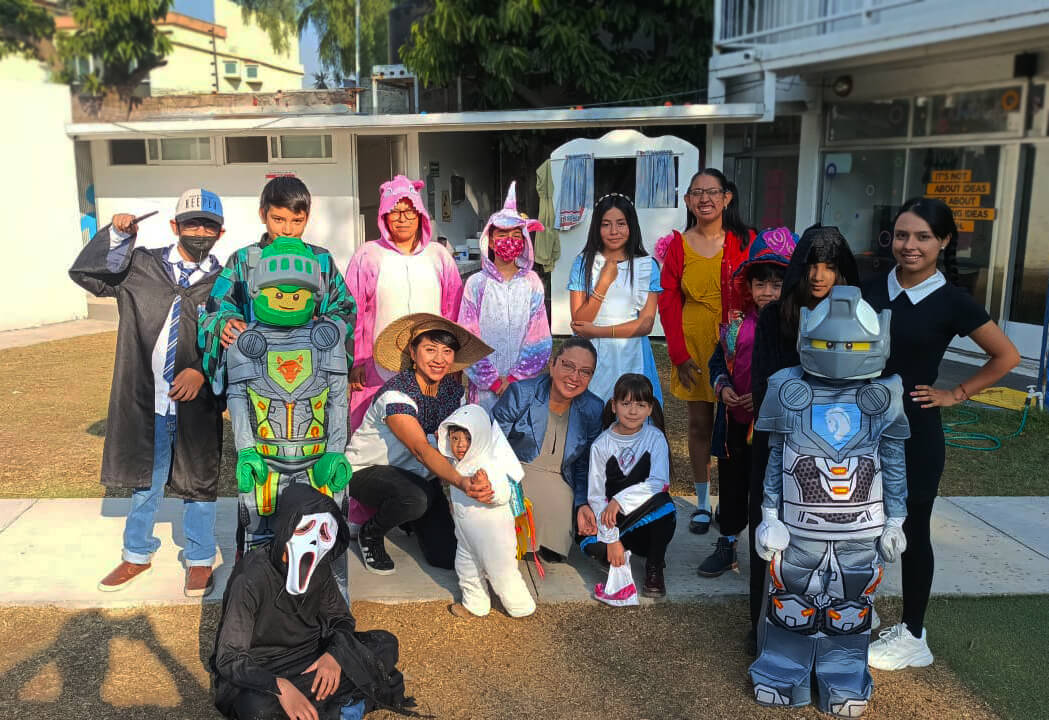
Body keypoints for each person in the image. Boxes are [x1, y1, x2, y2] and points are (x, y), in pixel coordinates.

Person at [863, 197, 1019, 671]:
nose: (910, 245)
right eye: (902, 235)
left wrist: (956, 393)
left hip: (915, 432)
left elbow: (1007, 357)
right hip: (859, 428)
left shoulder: (952, 300)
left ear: (944, 241)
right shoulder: (869, 288)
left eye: (923, 237)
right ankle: (859, 606)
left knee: (912, 528)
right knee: (858, 523)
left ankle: (913, 635)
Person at [749, 286, 909, 718]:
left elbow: (894, 463)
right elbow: (776, 456)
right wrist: (769, 514)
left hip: (862, 529)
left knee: (851, 605)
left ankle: (843, 677)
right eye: (831, 344)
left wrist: (896, 520)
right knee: (791, 601)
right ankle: (781, 672)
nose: (840, 353)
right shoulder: (787, 388)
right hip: (798, 527)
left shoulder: (885, 395)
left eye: (851, 345)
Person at [70, 190, 225, 598]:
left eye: (208, 226)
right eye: (191, 223)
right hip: (147, 399)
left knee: (199, 481)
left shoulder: (225, 282)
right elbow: (88, 276)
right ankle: (137, 553)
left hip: (196, 402)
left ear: (220, 232)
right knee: (146, 480)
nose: (200, 231)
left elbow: (233, 341)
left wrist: (202, 370)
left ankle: (200, 558)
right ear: (175, 226)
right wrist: (118, 237)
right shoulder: (141, 266)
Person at [211, 484, 418, 720]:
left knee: (385, 643)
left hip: (314, 657)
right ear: (287, 527)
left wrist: (335, 656)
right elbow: (230, 656)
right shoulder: (250, 577)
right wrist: (279, 687)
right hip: (265, 667)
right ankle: (345, 704)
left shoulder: (320, 567)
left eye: (324, 533)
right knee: (255, 707)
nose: (313, 541)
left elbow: (340, 619)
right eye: (305, 529)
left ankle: (332, 705)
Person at [747, 225, 860, 642]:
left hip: (840, 446)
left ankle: (831, 625)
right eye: (811, 265)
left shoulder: (859, 319)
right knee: (771, 534)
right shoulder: (774, 316)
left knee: (833, 540)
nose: (818, 275)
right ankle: (764, 626)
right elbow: (763, 388)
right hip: (781, 442)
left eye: (829, 266)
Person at [223, 237, 352, 562]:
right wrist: (246, 450)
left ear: (313, 295)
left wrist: (335, 451)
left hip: (317, 458)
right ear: (258, 291)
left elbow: (339, 399)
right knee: (258, 538)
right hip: (264, 458)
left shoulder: (327, 341)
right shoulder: (244, 342)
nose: (287, 302)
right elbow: (237, 398)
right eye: (278, 294)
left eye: (296, 295)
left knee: (324, 538)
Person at [344, 313, 494, 574]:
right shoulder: (396, 393)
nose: (439, 359)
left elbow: (463, 441)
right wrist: (461, 482)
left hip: (421, 477)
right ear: (413, 353)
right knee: (415, 498)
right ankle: (371, 532)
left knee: (446, 556)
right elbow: (421, 449)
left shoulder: (452, 392)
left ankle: (409, 519)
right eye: (430, 349)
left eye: (447, 351)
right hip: (367, 471)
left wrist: (483, 477)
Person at [658, 169, 755, 535]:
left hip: (739, 343)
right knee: (699, 425)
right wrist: (679, 355)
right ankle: (702, 502)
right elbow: (668, 302)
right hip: (694, 342)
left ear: (727, 197)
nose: (705, 199)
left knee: (738, 425)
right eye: (697, 193)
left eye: (712, 192)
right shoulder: (678, 245)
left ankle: (735, 502)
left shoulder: (747, 240)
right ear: (687, 201)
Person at [698, 227, 797, 578]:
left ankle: (772, 549)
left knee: (770, 488)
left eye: (777, 284)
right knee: (732, 483)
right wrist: (722, 386)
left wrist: (766, 398)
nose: (767, 292)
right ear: (749, 286)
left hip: (774, 429)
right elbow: (717, 362)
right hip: (734, 424)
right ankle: (727, 542)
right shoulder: (736, 326)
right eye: (761, 284)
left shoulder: (794, 329)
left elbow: (798, 375)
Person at [198, 175, 357, 391]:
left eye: (297, 221)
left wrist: (323, 325)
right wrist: (225, 323)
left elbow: (345, 309)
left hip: (310, 374)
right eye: (278, 219)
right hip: (255, 375)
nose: (287, 230)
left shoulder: (321, 260)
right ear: (262, 214)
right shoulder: (243, 259)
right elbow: (215, 309)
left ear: (307, 218)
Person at [344, 175, 464, 430]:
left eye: (409, 212)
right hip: (377, 366)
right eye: (395, 212)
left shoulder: (439, 256)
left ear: (420, 215)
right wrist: (357, 361)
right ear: (384, 216)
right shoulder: (368, 255)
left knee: (429, 428)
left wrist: (453, 359)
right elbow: (353, 311)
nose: (402, 219)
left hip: (432, 363)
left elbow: (453, 310)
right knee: (378, 429)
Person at [492, 337, 605, 563]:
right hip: (515, 474)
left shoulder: (593, 408)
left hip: (561, 480)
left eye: (585, 372)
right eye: (568, 366)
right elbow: (492, 445)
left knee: (555, 550)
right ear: (552, 365)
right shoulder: (521, 393)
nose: (574, 377)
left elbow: (584, 465)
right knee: (516, 545)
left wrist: (582, 503)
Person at [580, 373, 676, 598]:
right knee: (589, 544)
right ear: (614, 405)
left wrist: (619, 501)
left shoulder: (655, 438)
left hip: (644, 524)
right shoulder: (601, 445)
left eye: (641, 405)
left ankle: (654, 565)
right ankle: (618, 552)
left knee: (664, 505)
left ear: (650, 409)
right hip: (612, 522)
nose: (633, 411)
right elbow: (596, 496)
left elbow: (658, 483)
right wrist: (612, 539)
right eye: (626, 404)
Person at [459, 182, 552, 412]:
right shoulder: (476, 284)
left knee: (519, 431)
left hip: (522, 387)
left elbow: (539, 336)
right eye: (502, 234)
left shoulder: (532, 283)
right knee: (483, 431)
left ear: (524, 240)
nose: (509, 240)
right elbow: (467, 336)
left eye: (516, 235)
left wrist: (514, 378)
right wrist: (492, 380)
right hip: (484, 390)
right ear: (490, 240)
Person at [437, 405, 537, 619]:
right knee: (466, 570)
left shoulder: (489, 463)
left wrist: (489, 489)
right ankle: (476, 604)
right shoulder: (454, 464)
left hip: (494, 537)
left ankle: (521, 606)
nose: (460, 444)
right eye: (454, 438)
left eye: (468, 439)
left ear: (480, 438)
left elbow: (504, 493)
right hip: (466, 535)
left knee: (502, 573)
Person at [568, 193, 662, 404]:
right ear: (596, 227)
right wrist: (603, 282)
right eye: (606, 224)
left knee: (631, 409)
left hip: (632, 352)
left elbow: (645, 324)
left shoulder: (647, 266)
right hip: (591, 354)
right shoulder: (583, 264)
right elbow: (580, 323)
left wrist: (598, 332)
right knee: (592, 409)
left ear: (631, 226)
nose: (613, 231)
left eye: (621, 223)